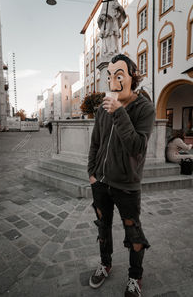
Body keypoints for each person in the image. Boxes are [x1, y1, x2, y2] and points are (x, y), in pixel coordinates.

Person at [88, 54, 155, 297]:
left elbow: (137, 146)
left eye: (119, 76)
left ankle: (135, 277)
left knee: (133, 232)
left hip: (127, 186)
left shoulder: (144, 109)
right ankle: (105, 264)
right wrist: (92, 174)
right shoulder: (102, 109)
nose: (113, 82)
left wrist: (119, 113)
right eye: (109, 77)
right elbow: (95, 143)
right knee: (102, 227)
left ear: (131, 78)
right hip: (101, 182)